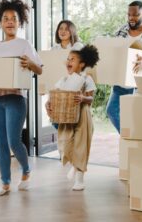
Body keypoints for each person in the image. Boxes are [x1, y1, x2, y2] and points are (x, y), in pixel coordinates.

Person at [0, 0, 42, 196]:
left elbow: (39, 69)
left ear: (20, 23)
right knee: (0, 142)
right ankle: (5, 182)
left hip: (16, 99)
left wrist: (30, 64)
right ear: (0, 22)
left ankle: (26, 170)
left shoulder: (24, 44)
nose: (10, 22)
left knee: (14, 141)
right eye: (6, 18)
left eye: (14, 19)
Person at [46, 44, 100, 191]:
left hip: (82, 115)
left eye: (73, 59)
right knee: (65, 143)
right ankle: (75, 166)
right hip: (66, 116)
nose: (69, 61)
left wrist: (83, 98)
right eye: (68, 59)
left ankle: (80, 178)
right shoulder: (64, 79)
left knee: (80, 146)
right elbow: (54, 94)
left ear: (81, 64)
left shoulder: (86, 78)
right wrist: (48, 103)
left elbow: (91, 99)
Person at [106, 0, 142, 133]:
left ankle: (136, 141)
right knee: (112, 111)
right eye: (129, 15)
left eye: (135, 15)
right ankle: (128, 138)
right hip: (121, 83)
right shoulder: (121, 31)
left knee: (138, 117)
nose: (131, 18)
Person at [51, 20, 84, 130]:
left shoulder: (78, 46)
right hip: (59, 89)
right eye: (60, 28)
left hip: (73, 89)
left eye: (66, 29)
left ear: (72, 31)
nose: (63, 31)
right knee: (56, 120)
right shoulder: (54, 49)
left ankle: (71, 145)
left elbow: (84, 68)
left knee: (72, 121)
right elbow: (50, 70)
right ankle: (65, 145)